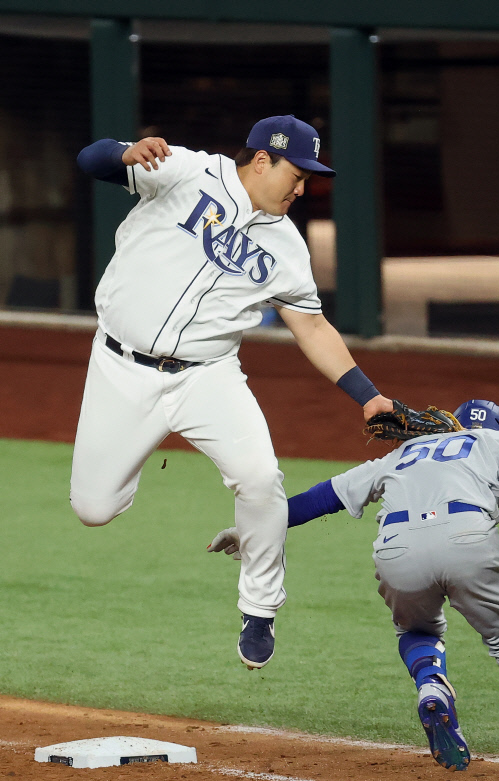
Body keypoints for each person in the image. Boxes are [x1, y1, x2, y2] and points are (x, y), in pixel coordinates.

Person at [73, 114, 392, 669]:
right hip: (120, 367)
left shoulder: (287, 246)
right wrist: (123, 154)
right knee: (93, 509)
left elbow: (311, 326)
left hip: (208, 375)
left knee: (260, 477)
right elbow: (89, 160)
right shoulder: (185, 171)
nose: (302, 188)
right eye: (297, 174)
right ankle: (128, 457)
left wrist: (367, 394)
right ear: (262, 160)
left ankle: (260, 608)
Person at [209, 399, 499, 781]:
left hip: (397, 550)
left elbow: (323, 497)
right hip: (468, 539)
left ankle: (431, 683)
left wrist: (251, 531)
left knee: (416, 629)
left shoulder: (402, 454)